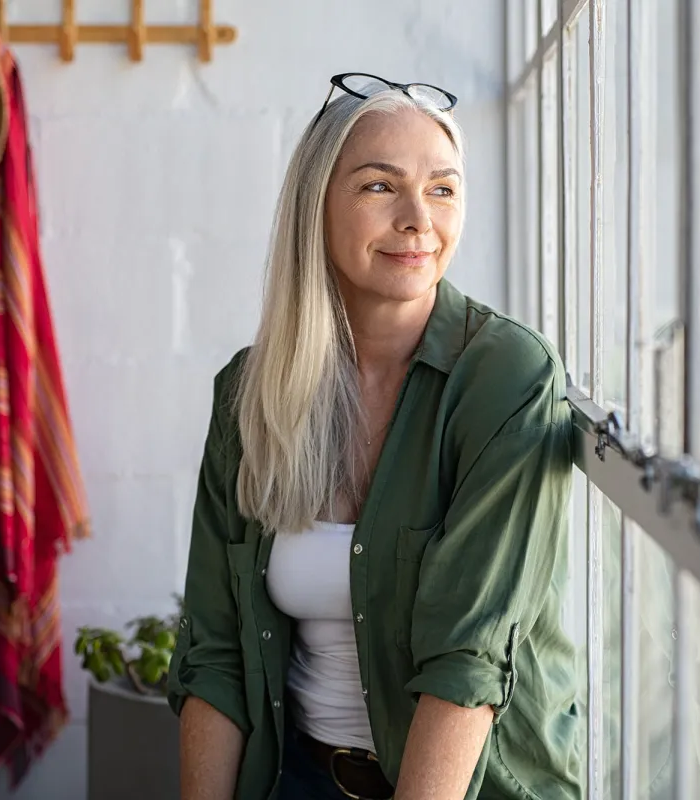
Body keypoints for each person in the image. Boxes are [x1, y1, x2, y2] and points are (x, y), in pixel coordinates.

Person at [167, 73, 581, 800]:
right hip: (294, 775)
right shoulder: (249, 392)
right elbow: (216, 649)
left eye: (443, 189)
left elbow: (467, 663)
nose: (419, 218)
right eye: (379, 187)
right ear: (316, 207)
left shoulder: (507, 379)